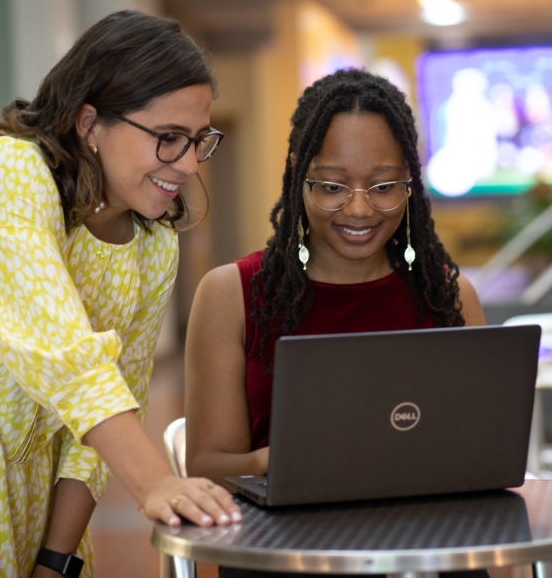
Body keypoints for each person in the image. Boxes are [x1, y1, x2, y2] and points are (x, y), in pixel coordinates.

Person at [0, 11, 240, 578]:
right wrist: (155, 482)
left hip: (35, 491)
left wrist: (57, 557)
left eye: (199, 140)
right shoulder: (9, 174)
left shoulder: (153, 243)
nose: (190, 163)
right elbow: (68, 358)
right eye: (168, 138)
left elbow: (110, 403)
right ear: (90, 122)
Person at [185, 69, 488, 578]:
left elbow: (486, 454)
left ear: (410, 183)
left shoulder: (450, 298)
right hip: (286, 555)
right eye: (331, 186)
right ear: (298, 175)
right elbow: (208, 465)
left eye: (384, 186)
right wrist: (281, 460)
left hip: (430, 549)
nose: (359, 208)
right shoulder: (232, 295)